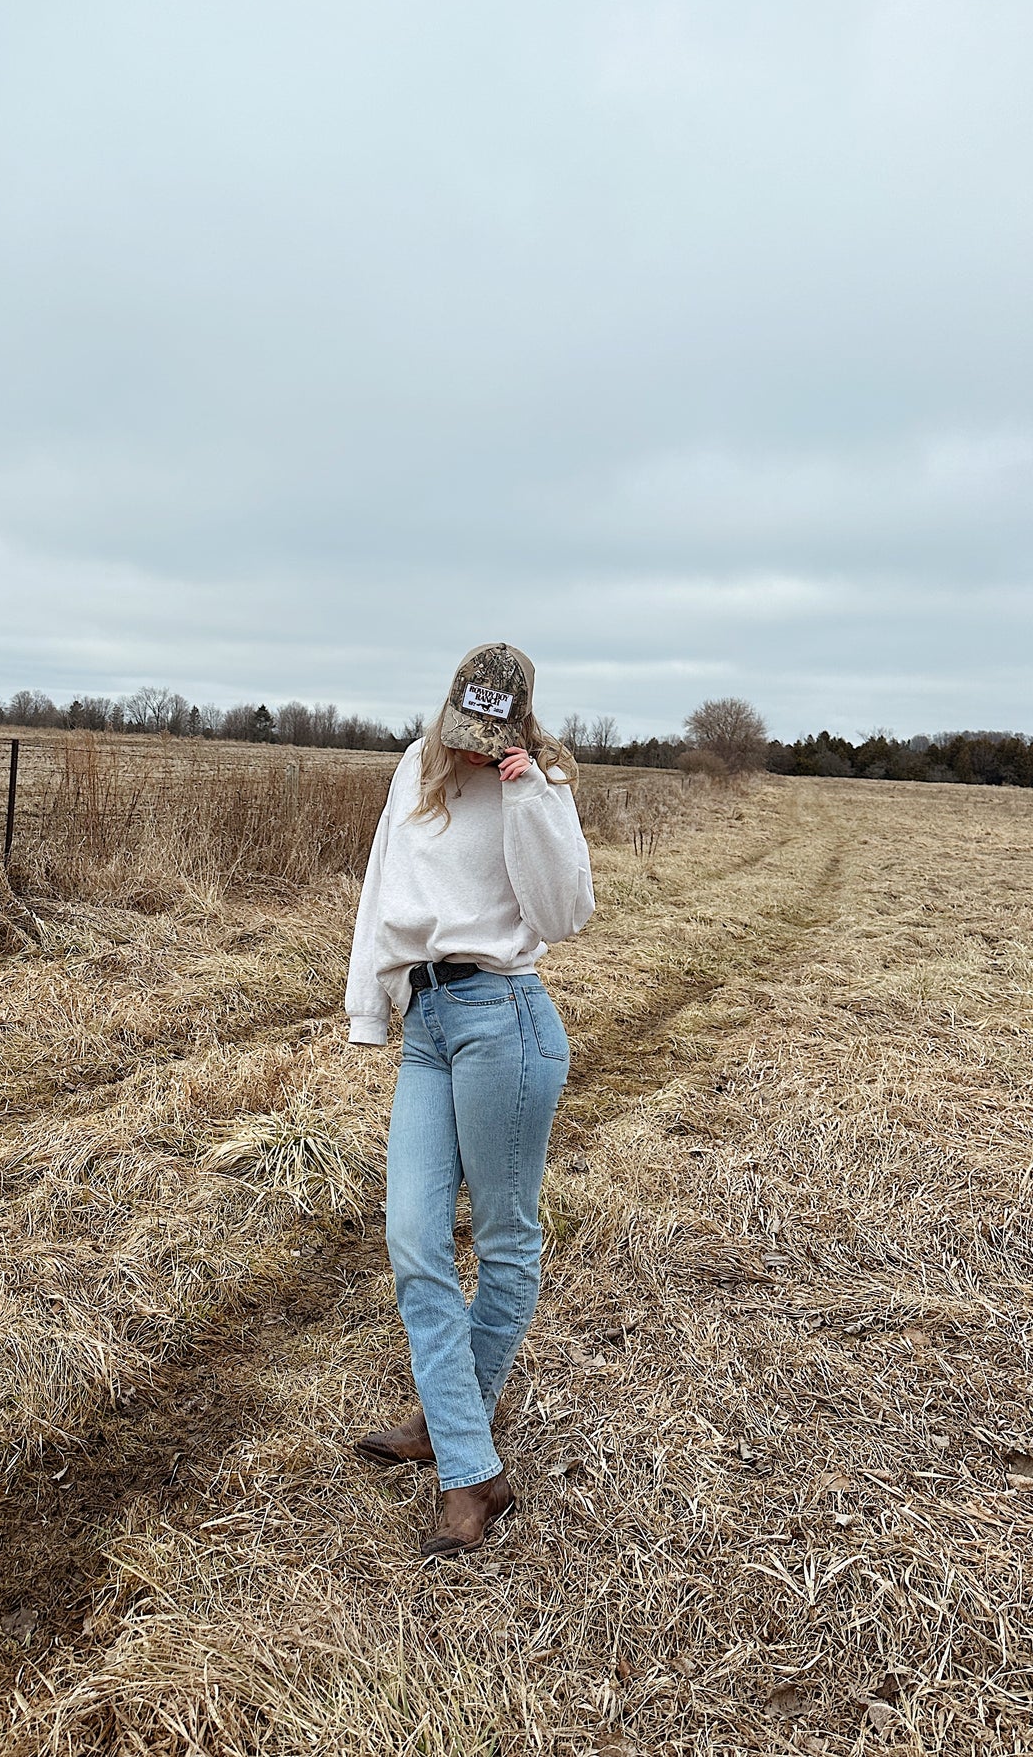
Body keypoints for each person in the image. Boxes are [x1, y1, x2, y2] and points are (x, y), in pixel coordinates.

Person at [345, 641, 595, 1557]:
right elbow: (380, 891)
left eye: (490, 735)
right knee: (412, 1237)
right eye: (465, 730)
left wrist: (528, 793)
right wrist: (370, 1012)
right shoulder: (415, 765)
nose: (472, 747)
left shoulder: (543, 783)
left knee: (502, 1238)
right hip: (431, 1021)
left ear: (517, 724)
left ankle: (459, 1460)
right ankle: (463, 1438)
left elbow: (563, 914)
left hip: (508, 1021)